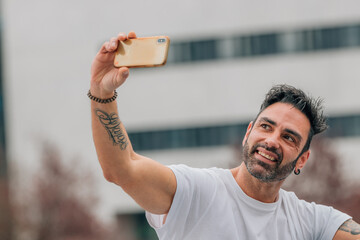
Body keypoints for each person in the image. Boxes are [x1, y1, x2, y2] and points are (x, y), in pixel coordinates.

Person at [89, 32, 360, 240]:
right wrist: (102, 93)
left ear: (302, 160)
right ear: (248, 133)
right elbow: (121, 168)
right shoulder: (196, 191)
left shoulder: (311, 222)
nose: (272, 140)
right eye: (266, 126)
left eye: (289, 137)